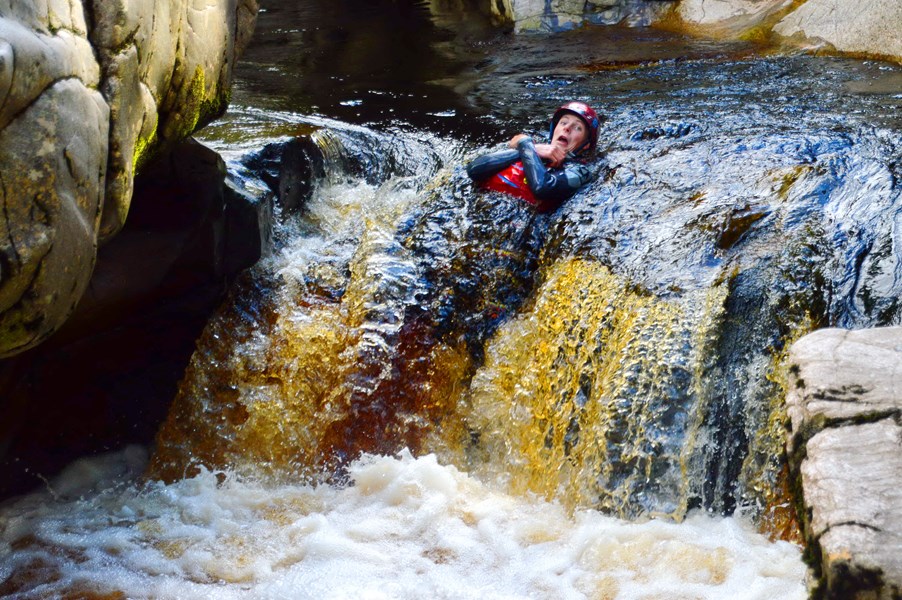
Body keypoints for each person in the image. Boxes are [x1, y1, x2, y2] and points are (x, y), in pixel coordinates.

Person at [466, 101, 600, 213]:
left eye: (577, 128)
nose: (567, 128)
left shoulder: (580, 171)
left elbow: (542, 188)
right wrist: (531, 149)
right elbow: (474, 169)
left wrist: (525, 144)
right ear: (554, 129)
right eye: (563, 122)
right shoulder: (531, 149)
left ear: (586, 145)